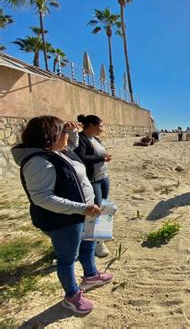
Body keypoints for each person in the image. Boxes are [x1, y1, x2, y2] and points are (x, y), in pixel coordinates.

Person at [11, 116, 112, 314]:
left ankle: (90, 275)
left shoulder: (60, 151)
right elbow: (42, 198)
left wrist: (71, 131)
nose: (67, 134)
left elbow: (73, 146)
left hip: (82, 212)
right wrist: (81, 208)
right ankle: (71, 296)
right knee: (68, 257)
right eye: (62, 131)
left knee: (89, 243)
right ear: (50, 137)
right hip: (63, 219)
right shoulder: (38, 161)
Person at [75, 115, 112, 258]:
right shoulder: (81, 139)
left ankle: (101, 234)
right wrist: (102, 158)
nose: (103, 129)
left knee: (103, 206)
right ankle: (96, 243)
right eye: (101, 126)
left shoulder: (94, 139)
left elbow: (98, 153)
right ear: (91, 125)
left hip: (103, 177)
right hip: (93, 180)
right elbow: (81, 157)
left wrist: (105, 157)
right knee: (95, 209)